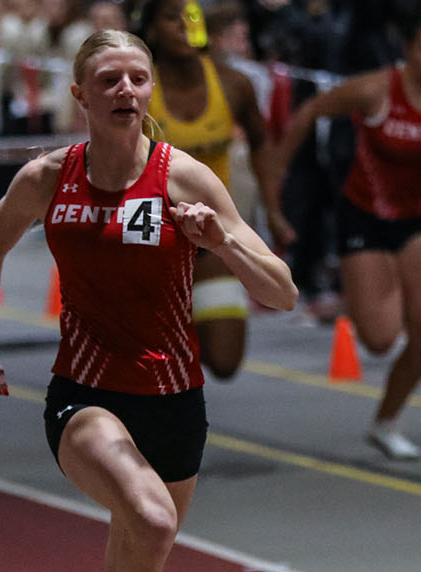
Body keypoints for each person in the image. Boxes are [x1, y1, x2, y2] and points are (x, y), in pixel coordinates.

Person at [0, 29, 295, 572]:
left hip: (174, 403)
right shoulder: (50, 178)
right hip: (84, 394)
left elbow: (280, 290)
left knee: (127, 570)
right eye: (108, 79)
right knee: (148, 523)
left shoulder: (185, 178)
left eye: (137, 78)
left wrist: (223, 245)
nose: (126, 91)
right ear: (79, 95)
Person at [265, 2, 421, 460]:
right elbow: (308, 114)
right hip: (364, 215)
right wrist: (276, 181)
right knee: (379, 339)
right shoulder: (375, 90)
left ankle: (386, 422)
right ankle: (375, 292)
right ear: (405, 49)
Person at [137, 0, 281, 379]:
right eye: (172, 19)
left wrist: (274, 211)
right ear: (152, 30)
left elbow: (261, 142)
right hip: (151, 238)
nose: (184, 27)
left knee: (225, 360)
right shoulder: (134, 88)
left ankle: (182, 327)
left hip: (211, 234)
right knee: (149, 366)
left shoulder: (233, 84)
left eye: (192, 18)